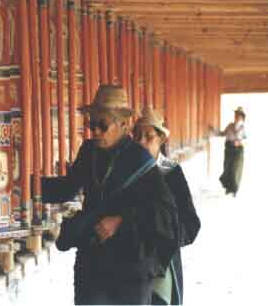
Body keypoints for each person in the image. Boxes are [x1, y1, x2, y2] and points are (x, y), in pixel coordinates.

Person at [40, 85, 179, 305]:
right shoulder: (89, 152)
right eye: (91, 124)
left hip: (131, 268)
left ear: (123, 125)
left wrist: (121, 222)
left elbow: (166, 215)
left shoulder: (140, 161)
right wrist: (26, 187)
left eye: (102, 125)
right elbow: (67, 188)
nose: (94, 131)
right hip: (93, 264)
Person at [133, 107, 201, 305]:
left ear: (161, 139)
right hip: (130, 265)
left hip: (162, 263)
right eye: (137, 136)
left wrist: (164, 237)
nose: (142, 142)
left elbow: (191, 224)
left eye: (149, 136)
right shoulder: (127, 173)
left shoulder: (171, 173)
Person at [218, 106, 247, 196]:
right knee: (227, 168)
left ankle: (234, 190)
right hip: (228, 149)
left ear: (242, 117)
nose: (237, 116)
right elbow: (222, 133)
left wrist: (239, 142)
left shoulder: (242, 128)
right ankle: (228, 189)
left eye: (239, 115)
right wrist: (214, 131)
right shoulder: (230, 125)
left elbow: (245, 139)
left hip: (237, 151)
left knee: (235, 170)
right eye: (236, 114)